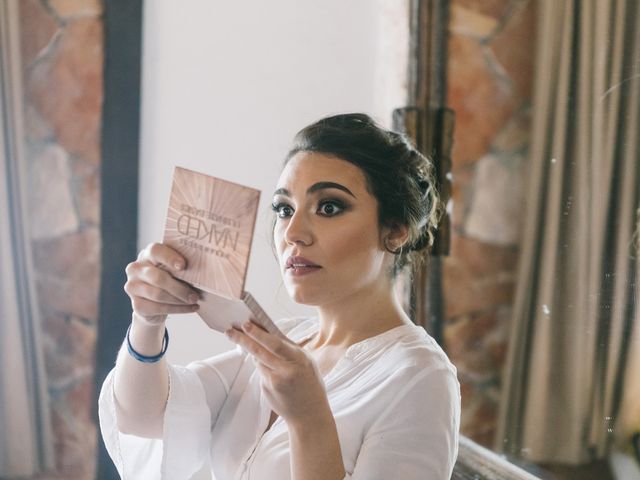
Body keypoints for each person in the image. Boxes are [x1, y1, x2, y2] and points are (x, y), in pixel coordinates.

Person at [98, 113, 461, 479]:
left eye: (329, 207)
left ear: (396, 231)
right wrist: (147, 320)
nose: (294, 233)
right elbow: (143, 417)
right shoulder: (281, 343)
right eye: (285, 209)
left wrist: (310, 421)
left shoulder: (421, 378)